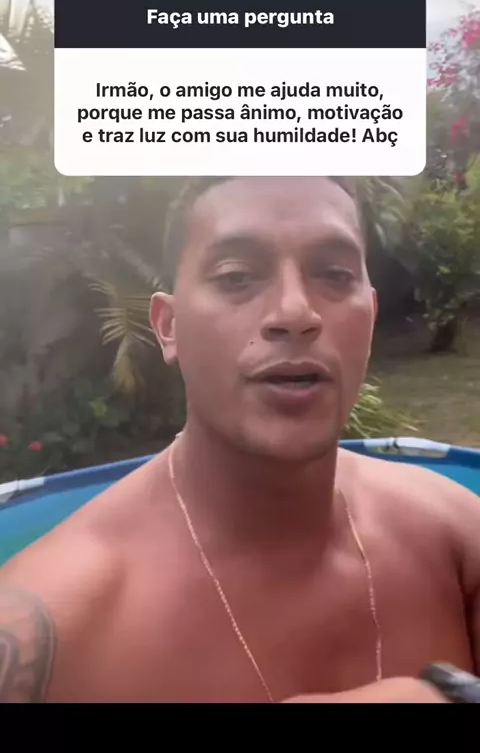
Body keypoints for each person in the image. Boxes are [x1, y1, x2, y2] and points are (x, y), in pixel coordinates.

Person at [0, 175, 479, 704]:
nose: (295, 313)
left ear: (370, 313)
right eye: (236, 277)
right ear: (169, 327)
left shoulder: (455, 538)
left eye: (334, 275)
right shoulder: (50, 629)